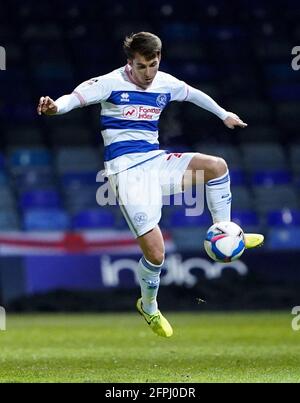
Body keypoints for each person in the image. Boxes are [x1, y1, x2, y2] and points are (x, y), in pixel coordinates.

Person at [37, 32, 264, 338]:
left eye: (153, 65)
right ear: (129, 63)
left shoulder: (165, 82)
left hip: (156, 162)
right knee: (156, 255)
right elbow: (74, 98)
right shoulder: (110, 83)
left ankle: (225, 232)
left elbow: (194, 94)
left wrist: (224, 115)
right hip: (127, 174)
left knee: (216, 167)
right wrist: (55, 107)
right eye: (141, 66)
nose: (147, 73)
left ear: (159, 60)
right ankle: (149, 305)